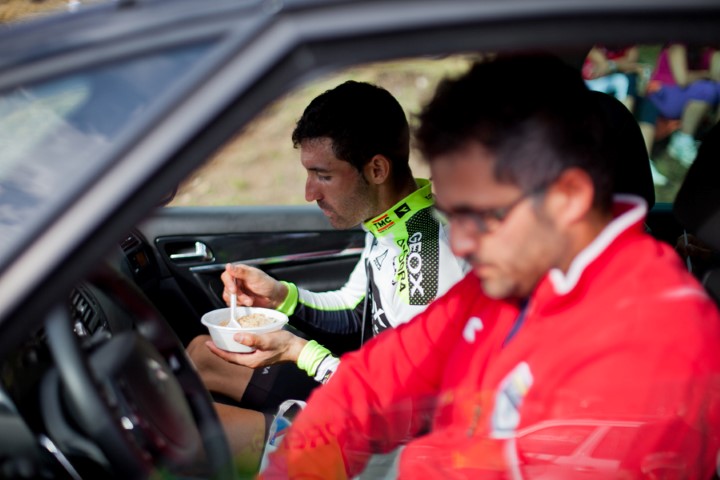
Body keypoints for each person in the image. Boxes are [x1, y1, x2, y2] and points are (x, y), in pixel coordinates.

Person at [261, 55, 720, 479]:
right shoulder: (505, 286)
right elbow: (377, 379)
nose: (458, 241)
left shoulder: (658, 349)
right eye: (450, 213)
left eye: (478, 215)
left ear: (567, 199)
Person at [187, 80, 467, 468]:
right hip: (359, 392)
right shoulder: (392, 224)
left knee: (190, 434)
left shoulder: (429, 257)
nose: (309, 192)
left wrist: (297, 351)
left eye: (323, 175)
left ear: (377, 169)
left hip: (389, 444)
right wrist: (280, 296)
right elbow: (354, 310)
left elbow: (397, 407)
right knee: (202, 354)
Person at [640, 43, 720, 167]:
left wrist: (715, 57)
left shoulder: (708, 51)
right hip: (663, 94)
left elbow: (717, 77)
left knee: (715, 89)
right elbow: (682, 80)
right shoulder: (677, 46)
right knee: (708, 89)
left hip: (681, 96)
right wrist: (706, 74)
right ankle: (683, 139)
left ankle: (685, 139)